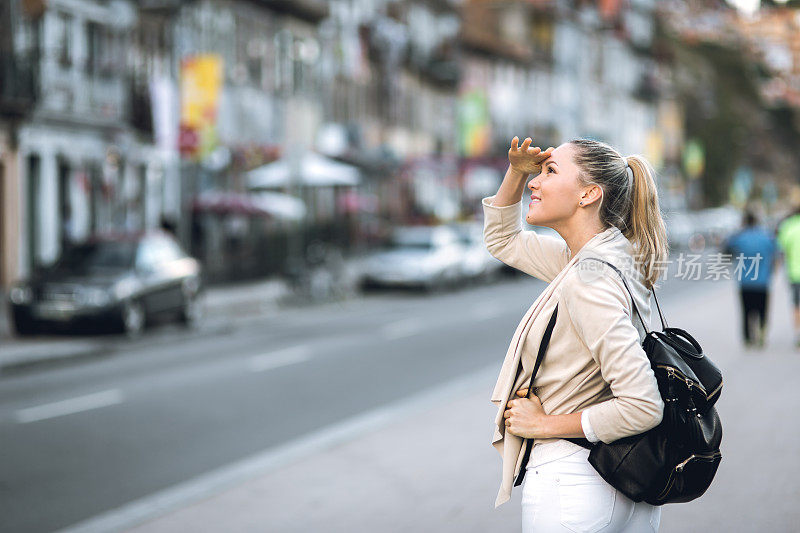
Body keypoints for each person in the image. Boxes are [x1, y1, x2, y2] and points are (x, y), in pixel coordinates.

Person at [483, 137, 666, 532]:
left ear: (588, 194)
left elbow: (643, 405)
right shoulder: (600, 257)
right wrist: (516, 172)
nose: (535, 181)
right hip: (618, 479)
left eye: (550, 172)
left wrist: (543, 425)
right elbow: (502, 240)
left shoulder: (588, 278)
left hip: (575, 481)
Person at [722, 210, 777, 349]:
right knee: (762, 309)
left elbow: (726, 248)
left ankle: (748, 338)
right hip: (763, 281)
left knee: (746, 311)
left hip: (745, 282)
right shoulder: (766, 236)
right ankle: (761, 334)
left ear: (744, 221)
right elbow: (775, 253)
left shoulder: (739, 237)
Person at [777, 205, 800, 347]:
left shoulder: (787, 227)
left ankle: (798, 334)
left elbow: (781, 250)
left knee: (797, 304)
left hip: (795, 273)